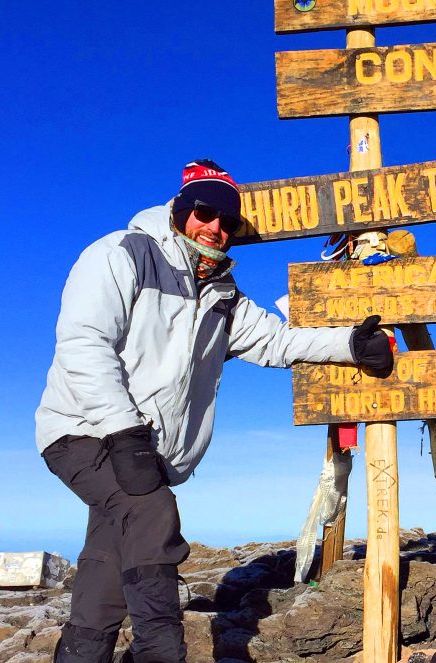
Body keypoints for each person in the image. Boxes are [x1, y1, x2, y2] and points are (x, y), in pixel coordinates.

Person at [35, 160, 394, 663]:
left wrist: (351, 346)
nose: (215, 229)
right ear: (181, 212)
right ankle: (163, 652)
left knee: (107, 559)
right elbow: (84, 342)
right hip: (83, 430)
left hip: (146, 452)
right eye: (205, 213)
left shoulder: (222, 295)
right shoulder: (122, 254)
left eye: (227, 222)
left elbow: (277, 340)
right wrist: (124, 432)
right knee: (151, 514)